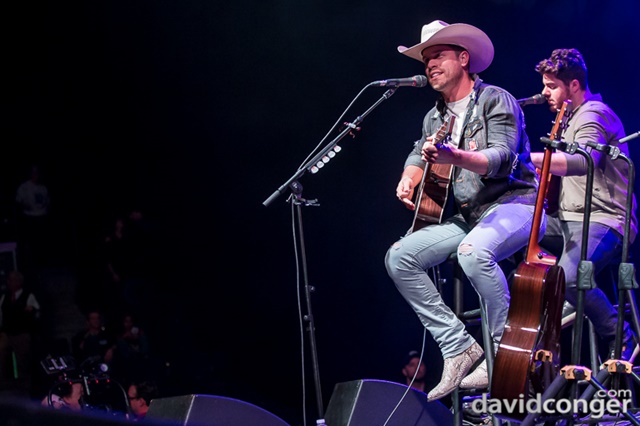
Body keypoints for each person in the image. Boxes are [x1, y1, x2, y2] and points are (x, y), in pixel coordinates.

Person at [384, 20, 542, 401]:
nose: (429, 64)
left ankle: (505, 354)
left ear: (464, 58)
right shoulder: (435, 116)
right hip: (471, 214)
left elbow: (503, 157)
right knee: (399, 257)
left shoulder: (495, 99)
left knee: (474, 253)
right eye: (426, 59)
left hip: (516, 202)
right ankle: (458, 347)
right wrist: (410, 174)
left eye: (438, 55)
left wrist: (455, 156)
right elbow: (417, 148)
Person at [531, 48, 638, 362]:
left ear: (574, 85)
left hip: (605, 220)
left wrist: (529, 159)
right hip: (568, 218)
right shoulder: (569, 118)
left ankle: (619, 333)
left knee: (570, 276)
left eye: (551, 86)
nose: (544, 93)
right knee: (513, 229)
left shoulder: (593, 113)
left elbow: (583, 162)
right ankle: (556, 299)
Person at [0, 270, 41, 394]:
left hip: (22, 333)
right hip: (7, 333)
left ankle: (25, 388)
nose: (9, 283)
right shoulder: (4, 297)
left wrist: (31, 312)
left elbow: (37, 312)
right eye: (9, 280)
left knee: (23, 360)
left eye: (12, 280)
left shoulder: (28, 296)